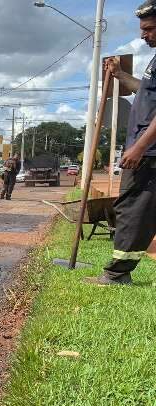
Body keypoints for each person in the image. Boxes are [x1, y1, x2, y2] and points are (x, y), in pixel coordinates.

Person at [86, 0, 156, 285]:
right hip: (147, 149)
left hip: (148, 151)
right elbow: (145, 92)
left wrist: (139, 147)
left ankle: (117, 274)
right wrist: (119, 75)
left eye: (150, 29)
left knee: (132, 208)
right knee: (137, 207)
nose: (143, 35)